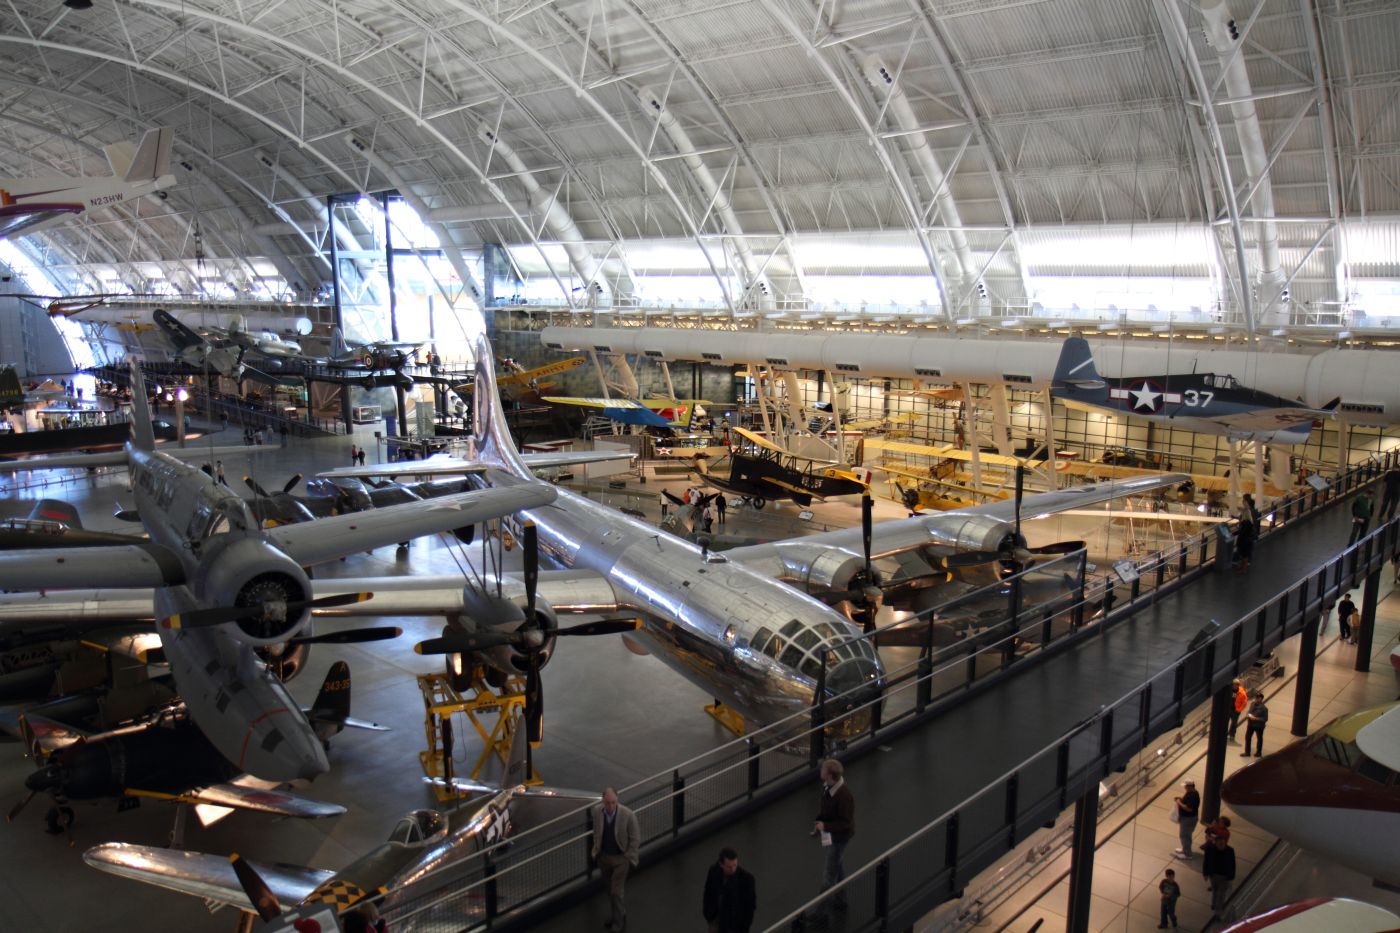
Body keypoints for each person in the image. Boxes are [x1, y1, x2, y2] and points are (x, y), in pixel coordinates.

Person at [591, 787, 640, 932]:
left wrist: (628, 856)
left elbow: (635, 838)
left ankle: (619, 922)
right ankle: (617, 914)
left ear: (617, 800)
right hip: (604, 858)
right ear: (603, 801)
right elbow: (596, 832)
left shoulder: (628, 814)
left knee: (616, 892)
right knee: (609, 890)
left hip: (621, 859)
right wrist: (597, 849)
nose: (611, 806)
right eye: (608, 803)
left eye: (613, 802)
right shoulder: (597, 812)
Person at [814, 758, 855, 912]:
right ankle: (841, 900)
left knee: (829, 876)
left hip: (839, 838)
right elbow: (826, 808)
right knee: (837, 866)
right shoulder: (828, 786)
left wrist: (825, 826)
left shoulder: (844, 796)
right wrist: (820, 822)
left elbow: (846, 823)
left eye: (823, 769)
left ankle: (821, 913)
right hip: (831, 834)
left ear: (829, 775)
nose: (821, 770)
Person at [702, 846, 757, 933]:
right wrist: (708, 914)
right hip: (715, 920)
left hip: (733, 927)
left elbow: (750, 907)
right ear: (721, 864)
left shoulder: (746, 879)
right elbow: (708, 892)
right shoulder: (713, 871)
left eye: (735, 865)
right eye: (729, 867)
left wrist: (743, 928)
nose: (733, 869)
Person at [1202, 835, 1237, 918]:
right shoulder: (1210, 849)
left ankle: (1218, 911)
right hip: (1213, 875)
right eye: (1220, 844)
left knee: (1221, 894)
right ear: (1216, 843)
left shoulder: (1230, 850)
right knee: (1215, 890)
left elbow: (1233, 864)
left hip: (1224, 877)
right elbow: (1206, 861)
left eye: (1223, 844)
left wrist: (1231, 876)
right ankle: (1214, 904)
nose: (1221, 846)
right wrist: (1205, 873)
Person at [1172, 780, 1199, 859]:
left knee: (1185, 836)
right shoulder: (1190, 793)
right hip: (1187, 818)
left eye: (1185, 786)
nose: (1184, 787)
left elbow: (1188, 809)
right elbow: (1187, 802)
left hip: (1188, 819)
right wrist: (1181, 799)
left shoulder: (1193, 796)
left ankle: (1187, 854)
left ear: (1190, 786)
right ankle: (1184, 849)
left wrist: (1179, 802)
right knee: (1184, 835)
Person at [1243, 692, 1268, 757]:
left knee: (1259, 738)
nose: (1256, 699)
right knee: (1248, 738)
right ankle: (1247, 752)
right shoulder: (1252, 704)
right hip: (1250, 724)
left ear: (1261, 699)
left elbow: (1265, 719)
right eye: (1256, 698)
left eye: (1258, 698)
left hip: (1259, 726)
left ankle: (1258, 753)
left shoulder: (1264, 708)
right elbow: (1249, 711)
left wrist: (1256, 718)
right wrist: (1248, 714)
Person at [1233, 507, 1255, 572]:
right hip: (1248, 541)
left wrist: (1234, 533)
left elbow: (1242, 532)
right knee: (1244, 555)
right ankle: (1242, 567)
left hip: (1244, 541)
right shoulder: (1250, 522)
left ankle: (1243, 569)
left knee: (1244, 555)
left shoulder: (1246, 523)